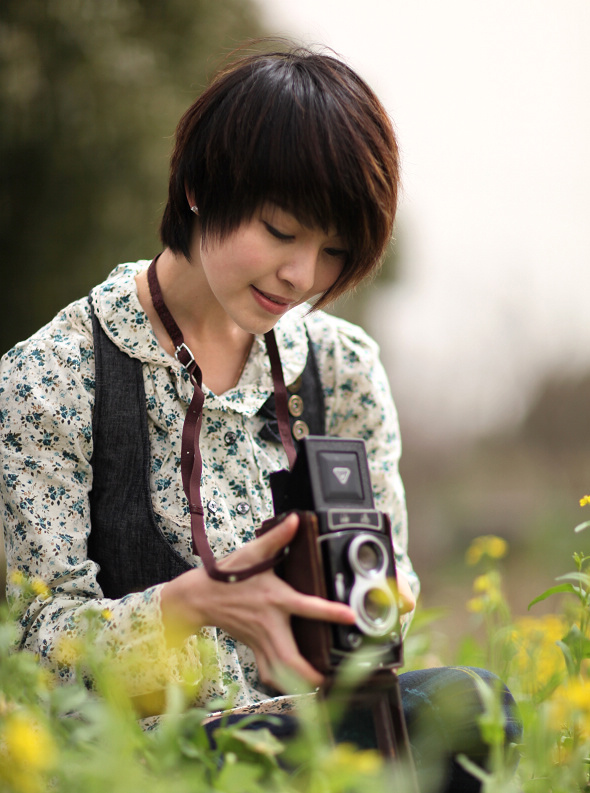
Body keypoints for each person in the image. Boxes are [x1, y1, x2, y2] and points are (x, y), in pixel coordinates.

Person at [0, 45, 520, 791]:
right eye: (281, 231)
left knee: (473, 707)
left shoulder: (341, 368)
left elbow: (391, 591)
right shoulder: (53, 374)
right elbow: (38, 651)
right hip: (154, 755)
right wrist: (191, 604)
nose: (301, 275)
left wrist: (362, 604)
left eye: (332, 249)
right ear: (200, 189)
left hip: (328, 725)